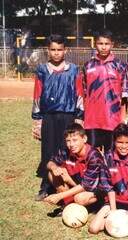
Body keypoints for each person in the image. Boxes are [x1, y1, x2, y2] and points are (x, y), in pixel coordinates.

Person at [31, 34, 84, 201]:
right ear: (48, 50)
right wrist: (38, 121)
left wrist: (79, 117)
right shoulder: (42, 70)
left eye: (59, 50)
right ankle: (46, 185)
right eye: (53, 50)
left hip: (68, 115)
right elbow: (37, 95)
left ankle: (67, 184)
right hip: (49, 116)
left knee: (66, 148)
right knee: (48, 150)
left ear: (65, 50)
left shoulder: (74, 70)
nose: (56, 53)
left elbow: (79, 94)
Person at [88, 124, 128, 238]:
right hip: (115, 201)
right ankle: (117, 217)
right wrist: (113, 212)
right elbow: (109, 187)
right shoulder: (108, 157)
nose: (124, 146)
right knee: (93, 229)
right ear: (114, 141)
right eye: (120, 142)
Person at [83, 29, 126, 152]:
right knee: (92, 154)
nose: (103, 47)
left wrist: (122, 117)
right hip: (92, 120)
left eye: (106, 44)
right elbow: (84, 92)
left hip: (112, 119)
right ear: (95, 44)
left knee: (111, 154)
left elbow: (125, 94)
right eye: (100, 43)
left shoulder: (120, 66)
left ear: (112, 44)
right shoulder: (88, 66)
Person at [44, 123, 103, 207]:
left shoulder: (93, 156)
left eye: (75, 140)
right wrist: (54, 168)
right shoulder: (66, 151)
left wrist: (60, 195)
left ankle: (94, 205)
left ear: (84, 139)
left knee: (80, 198)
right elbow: (50, 163)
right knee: (52, 173)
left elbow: (87, 185)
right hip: (79, 184)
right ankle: (69, 204)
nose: (71, 144)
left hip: (95, 189)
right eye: (68, 141)